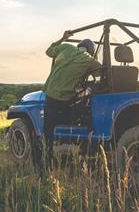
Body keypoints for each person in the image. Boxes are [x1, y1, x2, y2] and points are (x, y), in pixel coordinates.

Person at [39, 30, 101, 171]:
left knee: (48, 132)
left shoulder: (66, 47)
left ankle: (46, 165)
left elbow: (49, 51)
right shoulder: (89, 60)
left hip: (50, 96)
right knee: (86, 107)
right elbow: (102, 74)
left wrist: (63, 38)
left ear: (79, 45)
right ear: (92, 51)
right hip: (66, 101)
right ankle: (90, 139)